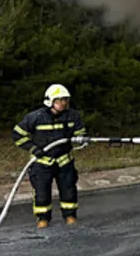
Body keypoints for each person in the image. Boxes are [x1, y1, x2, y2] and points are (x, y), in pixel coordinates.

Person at [12, 84, 87, 228]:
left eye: (65, 100)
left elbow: (80, 132)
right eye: (60, 100)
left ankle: (70, 217)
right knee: (41, 194)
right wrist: (33, 149)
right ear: (50, 101)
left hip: (65, 162)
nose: (63, 103)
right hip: (42, 163)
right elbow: (17, 134)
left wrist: (81, 138)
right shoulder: (35, 117)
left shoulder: (73, 116)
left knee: (69, 192)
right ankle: (43, 220)